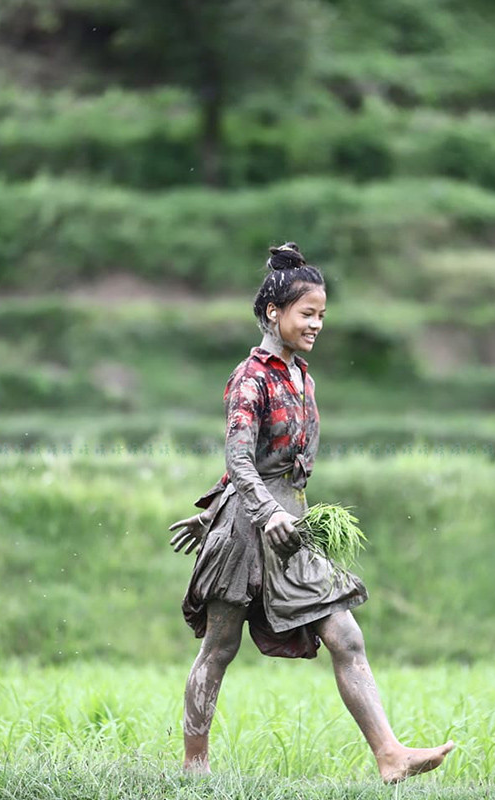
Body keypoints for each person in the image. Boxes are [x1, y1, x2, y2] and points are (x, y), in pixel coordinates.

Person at [167, 242, 456, 783]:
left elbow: (265, 464)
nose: (318, 324)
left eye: (322, 314)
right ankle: (193, 767)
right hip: (249, 530)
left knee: (346, 636)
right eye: (308, 313)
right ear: (274, 314)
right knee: (220, 647)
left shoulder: (302, 378)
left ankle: (390, 755)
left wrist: (249, 510)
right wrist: (232, 514)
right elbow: (238, 453)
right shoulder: (250, 378)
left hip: (292, 527)